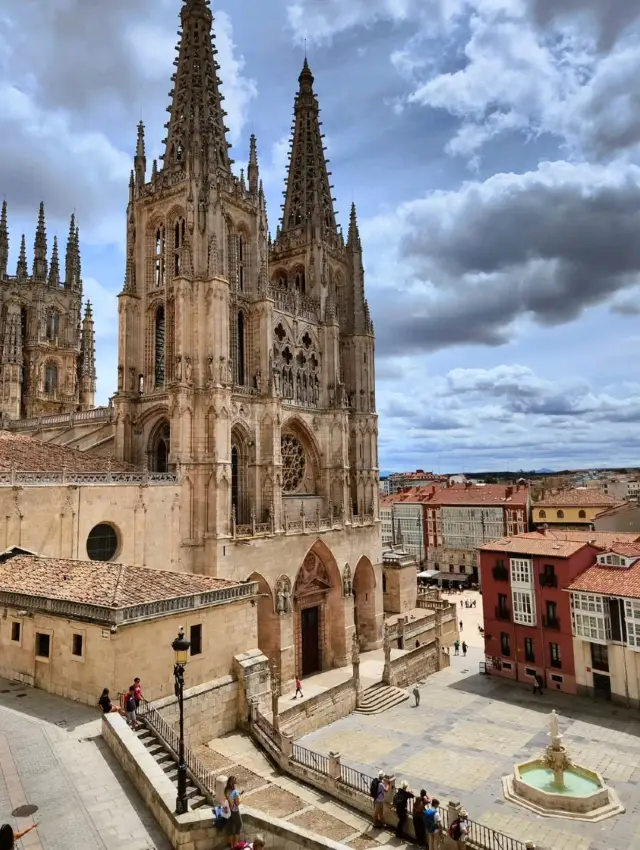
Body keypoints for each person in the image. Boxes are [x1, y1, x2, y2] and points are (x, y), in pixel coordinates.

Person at [224, 775, 243, 849]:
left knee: (230, 829)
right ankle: (235, 845)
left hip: (228, 811)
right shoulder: (235, 792)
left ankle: (231, 846)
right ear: (234, 784)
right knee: (239, 825)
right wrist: (240, 797)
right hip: (235, 811)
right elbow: (237, 803)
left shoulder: (226, 790)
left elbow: (228, 799)